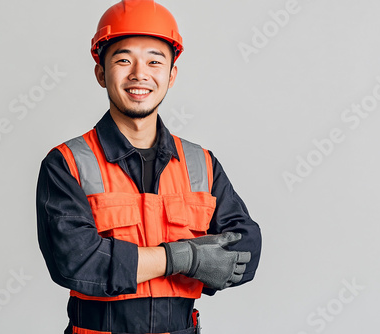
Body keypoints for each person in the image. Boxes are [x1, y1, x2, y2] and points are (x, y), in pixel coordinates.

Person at [36, 1, 262, 333]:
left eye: (154, 61)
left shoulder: (202, 164)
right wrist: (185, 258)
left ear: (171, 75)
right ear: (101, 72)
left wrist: (137, 261)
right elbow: (77, 262)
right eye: (123, 60)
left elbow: (245, 251)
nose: (139, 74)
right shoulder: (68, 163)